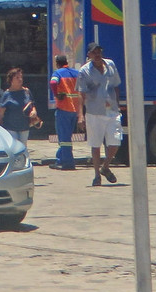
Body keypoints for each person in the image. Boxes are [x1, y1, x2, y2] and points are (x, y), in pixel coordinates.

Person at [77, 42, 121, 187]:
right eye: (94, 52)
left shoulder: (110, 65)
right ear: (88, 55)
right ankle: (97, 175)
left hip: (112, 110)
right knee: (95, 145)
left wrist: (117, 104)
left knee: (115, 141)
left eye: (99, 52)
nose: (97, 55)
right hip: (94, 112)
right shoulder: (84, 71)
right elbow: (81, 93)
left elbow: (115, 86)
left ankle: (105, 166)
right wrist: (80, 116)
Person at [49, 54, 82, 170]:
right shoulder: (76, 73)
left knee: (64, 139)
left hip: (64, 109)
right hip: (75, 110)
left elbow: (53, 83)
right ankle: (60, 159)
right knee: (66, 137)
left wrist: (56, 94)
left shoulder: (57, 73)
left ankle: (67, 163)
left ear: (57, 63)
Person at [0, 67, 41, 144]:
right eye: (17, 77)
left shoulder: (26, 91)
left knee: (23, 147)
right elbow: (0, 113)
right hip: (11, 127)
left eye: (21, 77)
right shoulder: (7, 94)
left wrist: (34, 111)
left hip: (24, 126)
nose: (20, 79)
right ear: (11, 80)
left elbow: (32, 104)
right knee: (15, 147)